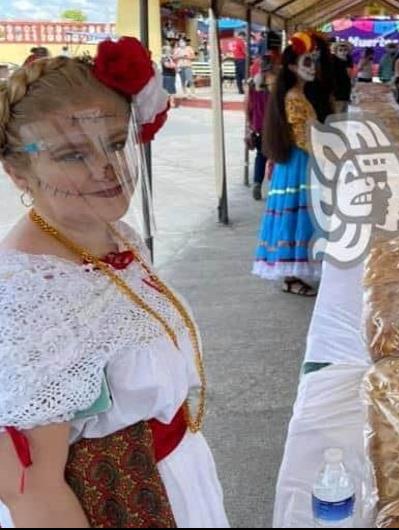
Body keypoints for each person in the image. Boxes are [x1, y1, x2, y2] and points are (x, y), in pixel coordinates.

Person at [0, 39, 228, 527]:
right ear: (19, 172)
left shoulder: (113, 236)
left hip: (171, 483)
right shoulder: (31, 294)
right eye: (71, 155)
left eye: (117, 143)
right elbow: (30, 492)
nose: (108, 167)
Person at [254, 33, 321, 296]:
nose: (312, 66)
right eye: (307, 61)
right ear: (293, 67)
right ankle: (291, 275)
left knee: (297, 216)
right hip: (298, 162)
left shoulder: (297, 94)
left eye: (313, 61)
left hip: (298, 161)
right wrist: (326, 153)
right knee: (296, 216)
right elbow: (303, 136)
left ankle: (293, 272)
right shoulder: (294, 96)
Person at [247, 54, 275, 201]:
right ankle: (274, 187)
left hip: (258, 126)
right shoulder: (275, 85)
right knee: (276, 156)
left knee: (261, 156)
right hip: (274, 125)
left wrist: (249, 127)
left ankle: (257, 183)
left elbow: (249, 108)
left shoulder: (253, 85)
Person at [332, 42, 353, 114]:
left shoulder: (348, 60)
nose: (343, 52)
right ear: (336, 51)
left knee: (344, 115)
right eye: (340, 50)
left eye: (345, 50)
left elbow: (349, 76)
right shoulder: (333, 61)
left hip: (346, 93)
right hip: (337, 95)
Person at [230, 30, 248, 94]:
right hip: (242, 59)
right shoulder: (241, 42)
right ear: (242, 36)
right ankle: (247, 89)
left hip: (236, 59)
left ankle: (240, 90)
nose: (244, 38)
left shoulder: (234, 42)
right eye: (244, 37)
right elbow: (245, 51)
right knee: (245, 75)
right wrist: (249, 56)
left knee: (238, 75)